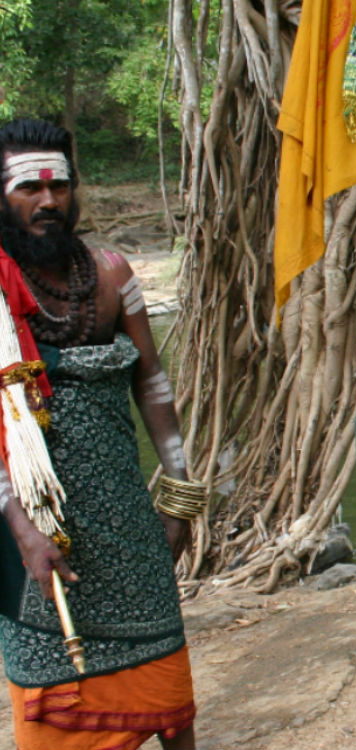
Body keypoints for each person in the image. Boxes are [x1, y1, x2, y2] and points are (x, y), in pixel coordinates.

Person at [0, 119, 199, 750]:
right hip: (34, 532)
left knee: (170, 700)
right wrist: (25, 530)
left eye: (59, 186)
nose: (48, 201)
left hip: (128, 526)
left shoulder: (112, 274)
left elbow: (153, 386)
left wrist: (180, 496)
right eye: (28, 187)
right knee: (55, 711)